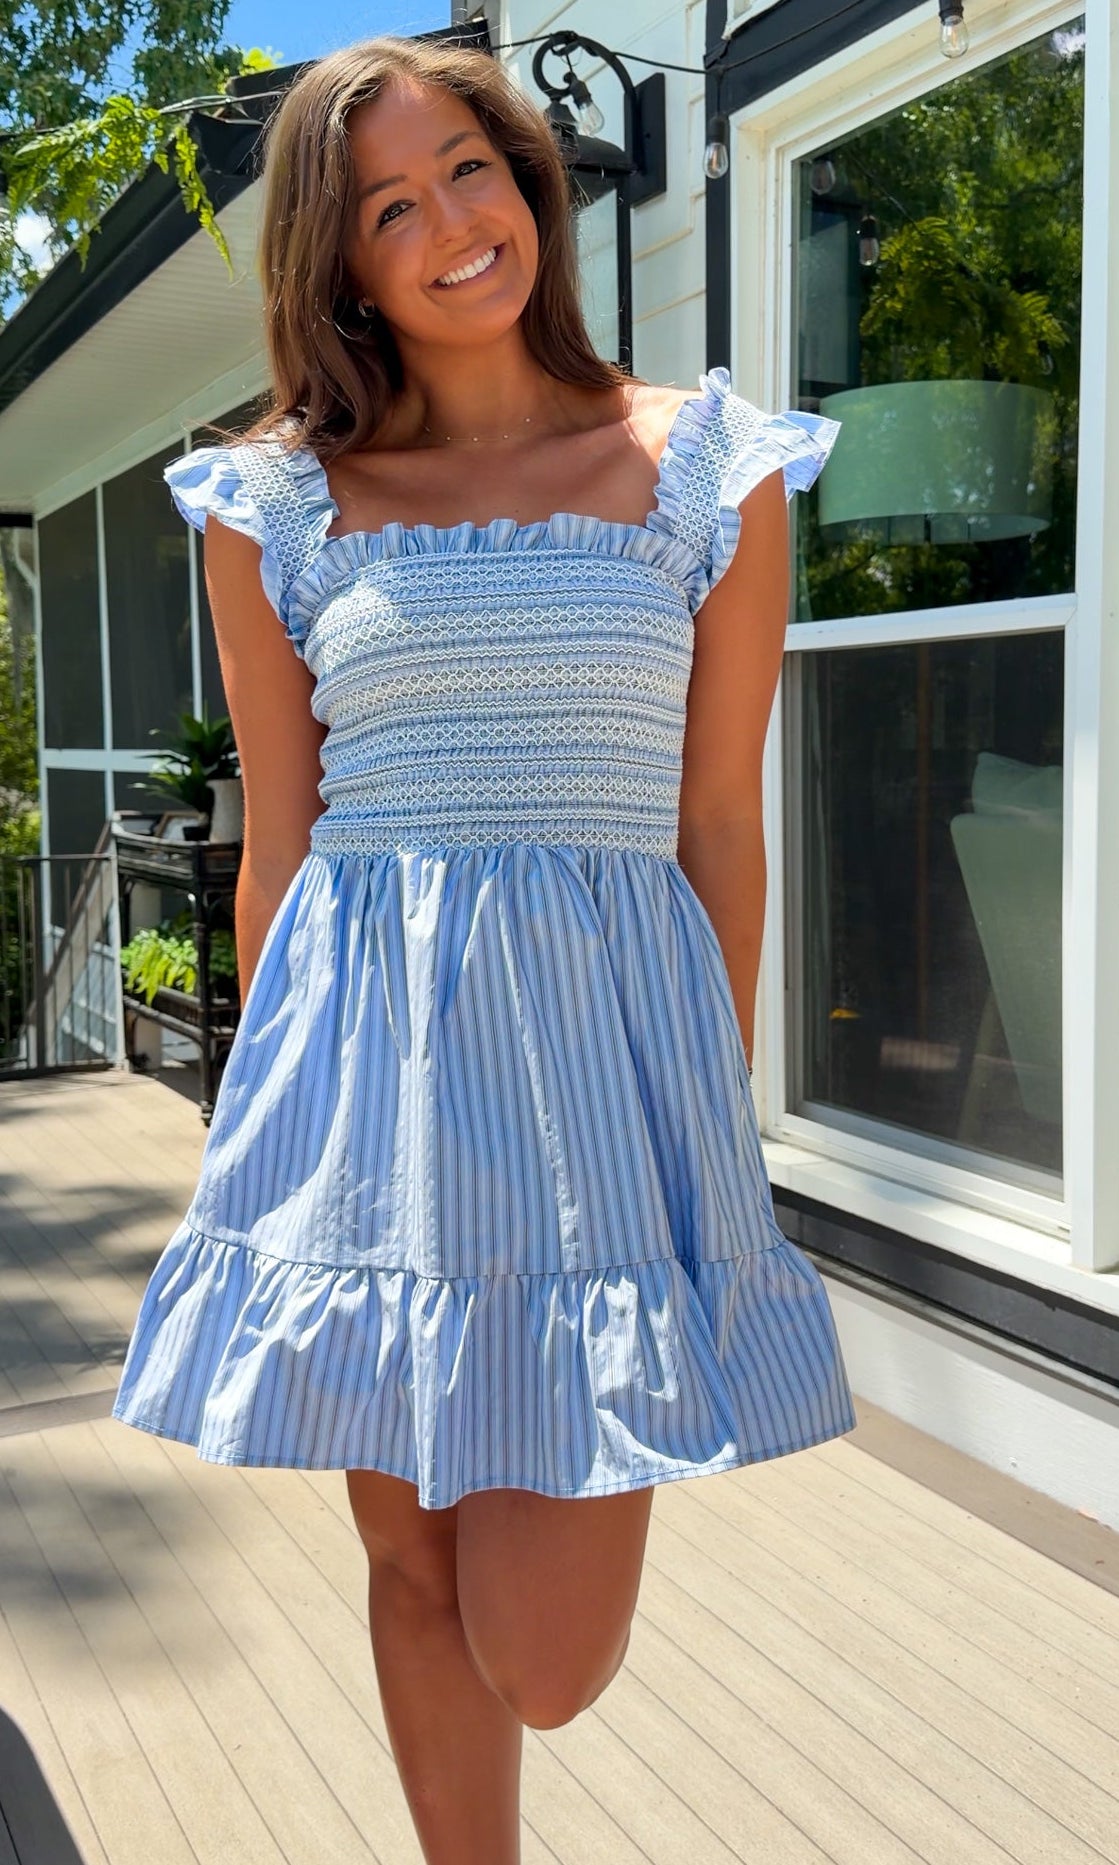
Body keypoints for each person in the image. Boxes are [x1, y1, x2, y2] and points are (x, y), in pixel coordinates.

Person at [112, 31, 858, 1864]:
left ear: (532, 182)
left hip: (607, 1076)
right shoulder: (276, 507)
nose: (453, 222)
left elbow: (716, 832)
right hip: (365, 1087)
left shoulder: (703, 467)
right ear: (339, 260)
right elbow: (278, 851)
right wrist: (249, 1141)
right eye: (390, 203)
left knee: (544, 1648)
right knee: (407, 1557)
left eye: (474, 170)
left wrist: (713, 1125)